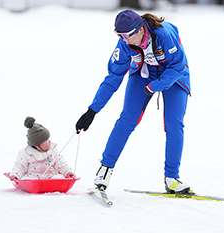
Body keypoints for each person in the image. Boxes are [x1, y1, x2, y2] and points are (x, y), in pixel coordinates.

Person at [75, 10, 191, 193]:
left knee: (173, 124)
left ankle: (172, 178)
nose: (124, 40)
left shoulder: (164, 34)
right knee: (127, 119)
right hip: (144, 74)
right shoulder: (124, 43)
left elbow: (177, 66)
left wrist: (156, 86)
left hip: (174, 76)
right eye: (119, 35)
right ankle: (105, 169)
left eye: (127, 35)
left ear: (140, 30)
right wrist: (92, 110)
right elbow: (113, 77)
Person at [9, 117, 74, 180]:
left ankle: (56, 183)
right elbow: (20, 166)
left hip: (50, 176)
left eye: (49, 139)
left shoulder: (52, 151)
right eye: (47, 141)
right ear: (37, 145)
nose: (50, 142)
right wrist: (15, 174)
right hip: (33, 177)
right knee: (26, 179)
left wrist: (67, 171)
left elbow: (60, 162)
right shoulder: (26, 153)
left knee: (59, 177)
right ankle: (29, 183)